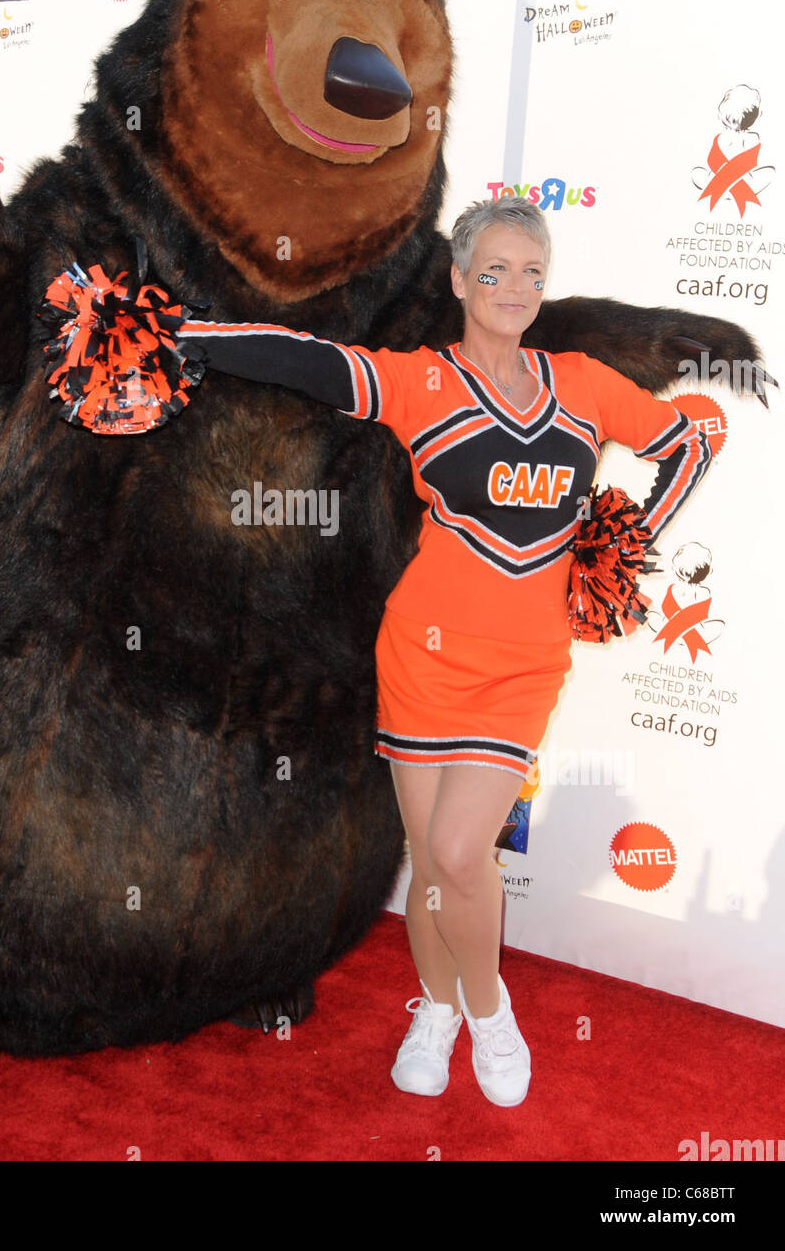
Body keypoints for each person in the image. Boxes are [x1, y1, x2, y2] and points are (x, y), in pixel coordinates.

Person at [172, 195, 713, 1105]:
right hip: (423, 655)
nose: (513, 287)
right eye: (493, 270)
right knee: (431, 863)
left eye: (531, 273)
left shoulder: (582, 383)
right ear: (461, 280)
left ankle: (490, 1014)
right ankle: (437, 1008)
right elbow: (313, 364)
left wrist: (617, 545)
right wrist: (192, 338)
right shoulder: (425, 382)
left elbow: (687, 443)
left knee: (464, 849)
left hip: (524, 666)